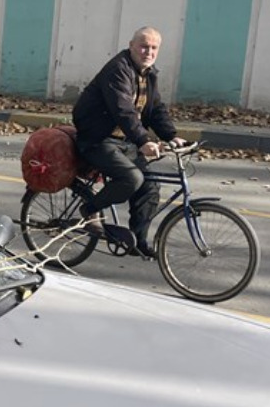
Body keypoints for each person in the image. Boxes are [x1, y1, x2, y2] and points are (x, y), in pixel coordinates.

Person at [72, 26, 185, 258]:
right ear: (131, 45)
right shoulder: (118, 69)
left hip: (123, 142)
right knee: (132, 178)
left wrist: (171, 136)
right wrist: (143, 140)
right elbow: (123, 110)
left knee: (150, 185)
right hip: (97, 139)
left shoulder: (148, 74)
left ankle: (137, 240)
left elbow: (156, 110)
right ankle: (89, 208)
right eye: (144, 46)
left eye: (154, 48)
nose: (148, 52)